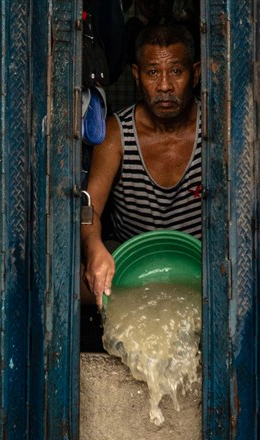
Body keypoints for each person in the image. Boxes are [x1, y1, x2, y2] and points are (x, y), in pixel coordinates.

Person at [81, 21, 203, 308]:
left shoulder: (215, 129)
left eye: (176, 71)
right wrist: (93, 247)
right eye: (152, 72)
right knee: (68, 286)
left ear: (195, 73)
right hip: (130, 265)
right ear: (136, 75)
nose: (164, 85)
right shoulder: (117, 132)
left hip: (199, 267)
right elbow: (89, 207)